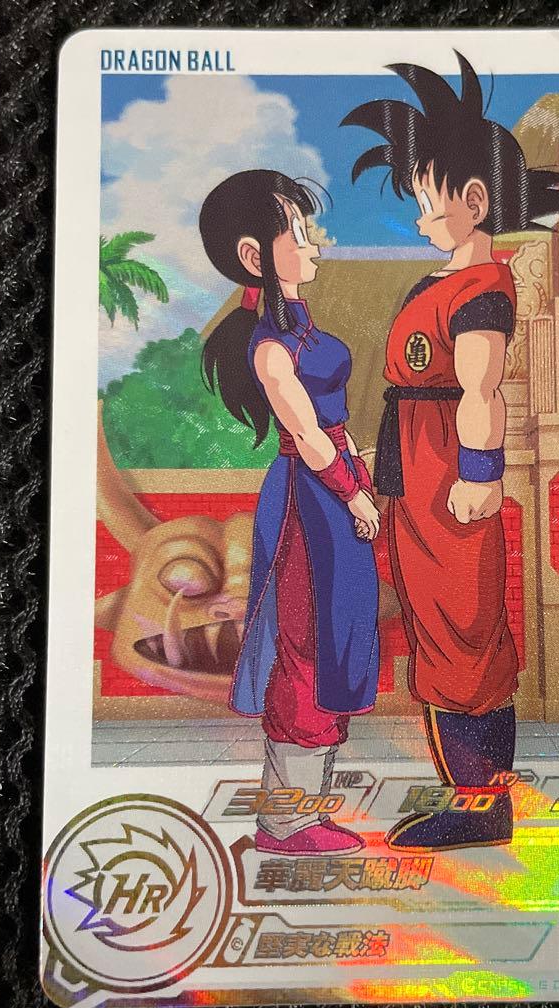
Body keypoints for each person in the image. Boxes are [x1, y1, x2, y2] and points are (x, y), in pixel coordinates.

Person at [342, 53, 559, 851]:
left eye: (429, 201)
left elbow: (480, 388)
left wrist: (481, 474)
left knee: (463, 631)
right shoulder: (440, 281)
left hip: (450, 475)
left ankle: (482, 802)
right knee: (438, 628)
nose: (421, 216)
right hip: (415, 468)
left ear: (475, 201)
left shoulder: (482, 288)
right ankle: (473, 792)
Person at [199, 170, 381, 857]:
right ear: (253, 255)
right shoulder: (271, 346)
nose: (314, 244)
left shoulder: (300, 330)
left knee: (337, 639)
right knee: (305, 644)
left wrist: (353, 470)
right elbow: (305, 434)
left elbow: (328, 427)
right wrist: (351, 490)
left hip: (332, 485)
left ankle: (304, 812)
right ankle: (285, 821)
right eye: (299, 232)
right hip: (311, 500)